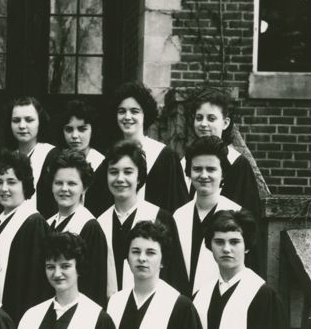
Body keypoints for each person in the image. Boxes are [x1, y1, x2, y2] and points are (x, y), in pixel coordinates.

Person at [182, 88, 267, 273]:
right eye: (199, 118)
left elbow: (246, 225)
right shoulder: (185, 163)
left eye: (211, 119)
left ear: (225, 122)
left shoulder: (237, 165)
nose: (203, 124)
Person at [95, 140, 187, 297]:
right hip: (111, 311)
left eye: (128, 172)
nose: (120, 178)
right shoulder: (99, 224)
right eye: (113, 172)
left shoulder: (160, 218)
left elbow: (175, 276)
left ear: (139, 177)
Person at [85, 81, 189, 216]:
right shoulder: (110, 159)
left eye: (134, 111)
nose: (127, 117)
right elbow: (96, 206)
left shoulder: (165, 157)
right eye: (122, 111)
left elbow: (178, 208)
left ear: (145, 114)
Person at [173, 136, 251, 297]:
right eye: (197, 169)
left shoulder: (237, 215)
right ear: (189, 172)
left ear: (223, 174)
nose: (203, 175)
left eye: (211, 169)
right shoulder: (179, 216)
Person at [0, 150, 50, 321]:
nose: (4, 188)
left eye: (11, 182)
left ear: (24, 184)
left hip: (19, 318)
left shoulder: (34, 223)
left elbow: (36, 284)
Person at [44, 149, 109, 305]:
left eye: (72, 183)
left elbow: (94, 287)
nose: (64, 189)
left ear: (84, 188)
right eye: (58, 183)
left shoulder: (90, 227)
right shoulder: (47, 224)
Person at [6, 95, 59, 218]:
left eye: (29, 120)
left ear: (40, 121)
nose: (22, 126)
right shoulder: (6, 159)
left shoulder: (51, 156)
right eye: (16, 120)